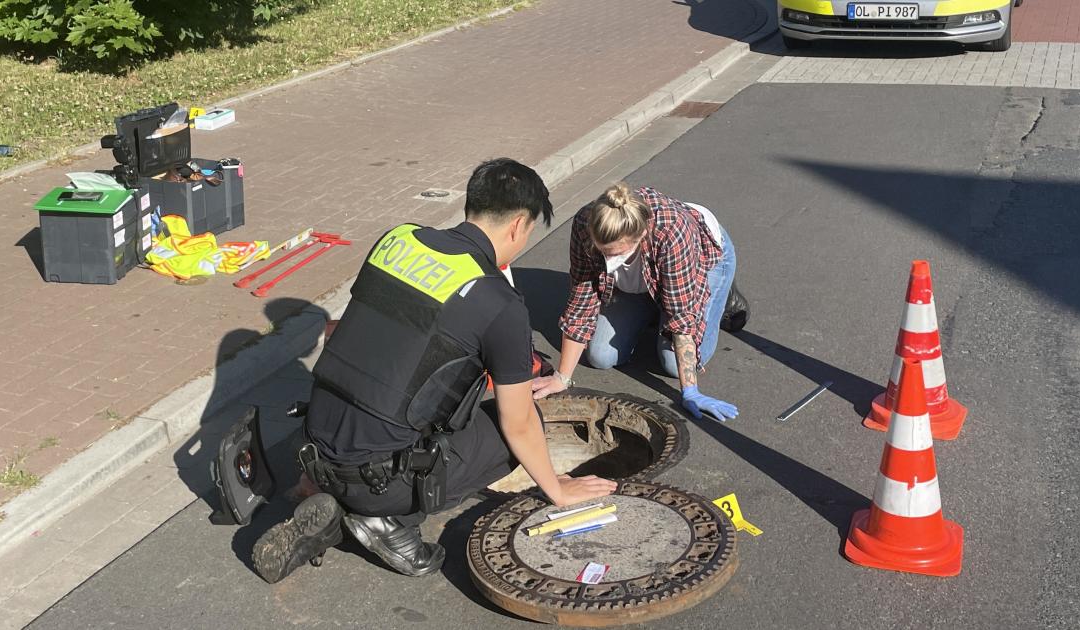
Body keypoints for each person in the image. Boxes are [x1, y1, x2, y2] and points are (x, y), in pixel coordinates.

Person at [253, 158, 618, 583]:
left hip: (315, 448)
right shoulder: (498, 302)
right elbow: (517, 422)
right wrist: (557, 490)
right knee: (521, 423)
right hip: (378, 478)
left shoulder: (397, 240)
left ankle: (329, 495)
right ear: (519, 225)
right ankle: (386, 520)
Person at [530, 183, 748, 422]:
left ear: (641, 235)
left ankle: (722, 295)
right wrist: (562, 377)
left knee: (672, 365)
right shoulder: (585, 222)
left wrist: (690, 392)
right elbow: (583, 298)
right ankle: (655, 301)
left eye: (617, 253)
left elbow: (682, 318)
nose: (608, 260)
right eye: (603, 252)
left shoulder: (672, 231)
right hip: (641, 275)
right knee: (601, 356)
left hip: (701, 257)